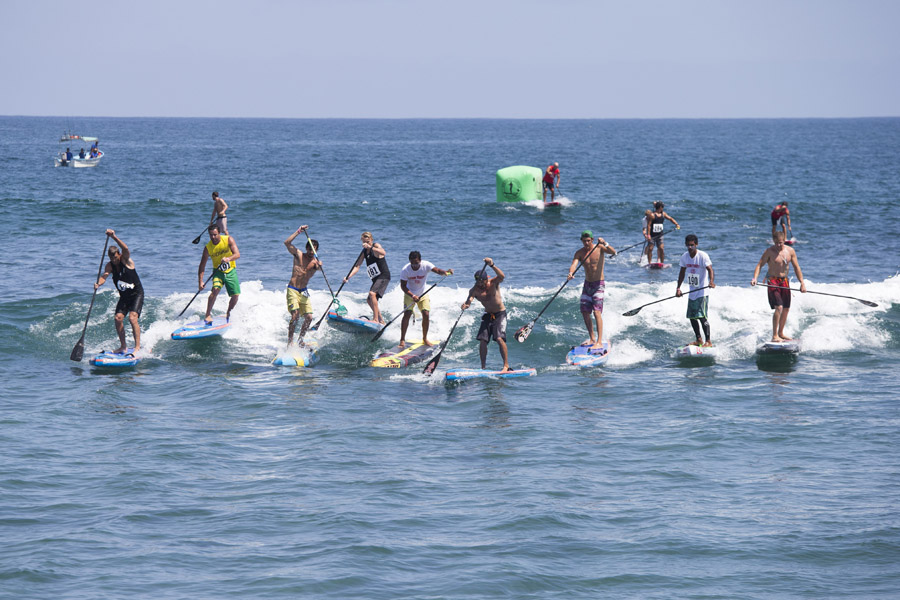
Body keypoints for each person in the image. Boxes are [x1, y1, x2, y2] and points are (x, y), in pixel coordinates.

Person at [94, 229, 143, 353]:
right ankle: (123, 347)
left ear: (119, 254)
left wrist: (114, 237)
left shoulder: (126, 260)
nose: (114, 260)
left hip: (136, 294)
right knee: (118, 318)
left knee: (132, 318)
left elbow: (125, 248)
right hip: (124, 297)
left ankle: (137, 347)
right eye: (112, 258)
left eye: (115, 257)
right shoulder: (109, 265)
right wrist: (98, 283)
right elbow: (104, 276)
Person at [751, 231, 806, 342]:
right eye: (776, 243)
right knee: (779, 307)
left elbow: (796, 267)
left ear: (784, 240)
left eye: (780, 242)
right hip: (773, 281)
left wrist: (802, 283)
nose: (778, 245)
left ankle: (781, 333)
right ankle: (774, 335)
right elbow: (759, 265)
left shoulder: (790, 251)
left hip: (784, 281)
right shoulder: (769, 252)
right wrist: (755, 278)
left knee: (786, 308)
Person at [567, 230, 616, 350]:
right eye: (584, 241)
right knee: (585, 312)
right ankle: (592, 338)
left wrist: (605, 243)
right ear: (581, 241)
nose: (586, 243)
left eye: (588, 241)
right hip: (587, 285)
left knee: (597, 312)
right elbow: (574, 264)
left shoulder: (599, 248)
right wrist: (571, 273)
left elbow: (613, 252)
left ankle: (599, 341)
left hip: (599, 284)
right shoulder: (579, 253)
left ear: (592, 240)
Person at [462, 258, 510, 372]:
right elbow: (469, 301)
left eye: (482, 282)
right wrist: (466, 305)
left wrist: (492, 265)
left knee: (499, 338)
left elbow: (502, 276)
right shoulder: (474, 290)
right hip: (487, 314)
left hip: (500, 314)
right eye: (478, 282)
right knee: (483, 340)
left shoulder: (493, 283)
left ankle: (506, 366)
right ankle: (483, 367)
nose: (480, 284)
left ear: (486, 279)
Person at [399, 251, 453, 348]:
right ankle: (402, 339)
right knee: (407, 314)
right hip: (409, 294)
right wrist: (412, 296)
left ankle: (424, 338)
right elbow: (403, 286)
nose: (414, 266)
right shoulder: (405, 270)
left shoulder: (426, 265)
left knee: (426, 314)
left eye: (416, 263)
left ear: (420, 260)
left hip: (422, 293)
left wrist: (445, 272)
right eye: (412, 263)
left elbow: (437, 270)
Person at [675, 234, 716, 346]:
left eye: (692, 245)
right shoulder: (685, 256)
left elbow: (710, 269)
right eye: (688, 245)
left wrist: (711, 282)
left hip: (702, 292)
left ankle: (708, 341)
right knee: (692, 317)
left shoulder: (703, 256)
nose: (690, 247)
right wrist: (678, 288)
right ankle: (699, 339)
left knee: (702, 316)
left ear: (696, 244)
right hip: (692, 292)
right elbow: (682, 273)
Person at [284, 225, 321, 345]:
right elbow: (287, 243)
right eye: (309, 250)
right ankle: (290, 342)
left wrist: (320, 266)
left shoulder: (315, 263)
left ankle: (300, 340)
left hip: (304, 291)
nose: (311, 252)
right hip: (293, 289)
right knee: (295, 316)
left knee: (309, 317)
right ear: (306, 248)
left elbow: (318, 269)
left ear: (316, 251)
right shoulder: (299, 255)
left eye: (313, 250)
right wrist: (299, 231)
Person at [343, 231, 390, 324]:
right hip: (376, 278)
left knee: (372, 294)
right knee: (369, 300)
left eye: (368, 242)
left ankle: (375, 319)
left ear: (371, 240)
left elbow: (383, 252)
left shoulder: (376, 246)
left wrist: (370, 247)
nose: (366, 244)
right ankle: (381, 320)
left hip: (383, 276)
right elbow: (357, 266)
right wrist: (348, 277)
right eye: (364, 242)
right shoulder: (364, 252)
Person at [198, 223, 241, 323]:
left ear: (219, 233)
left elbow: (237, 254)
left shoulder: (228, 239)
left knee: (235, 295)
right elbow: (202, 265)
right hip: (218, 272)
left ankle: (228, 313)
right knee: (215, 290)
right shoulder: (208, 248)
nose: (213, 237)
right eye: (211, 235)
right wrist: (200, 282)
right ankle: (207, 315)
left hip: (230, 271)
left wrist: (228, 259)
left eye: (215, 234)